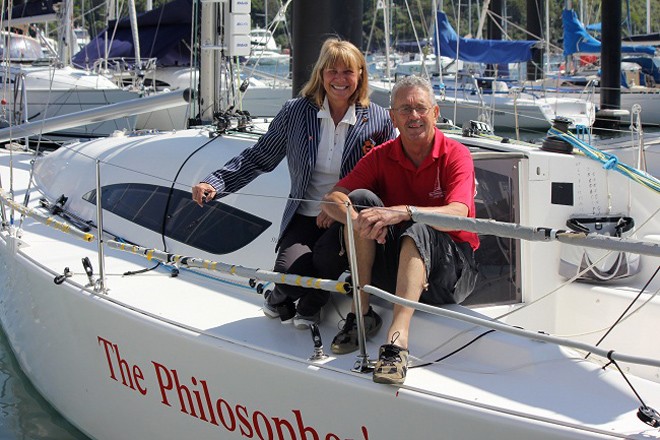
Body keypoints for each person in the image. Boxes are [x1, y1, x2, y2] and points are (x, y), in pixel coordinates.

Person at [191, 38, 396, 330]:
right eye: (332, 71)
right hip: (302, 215)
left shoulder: (378, 120)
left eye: (348, 71)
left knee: (328, 261)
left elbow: (383, 177)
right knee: (288, 277)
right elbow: (260, 157)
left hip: (342, 218)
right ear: (321, 74)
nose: (340, 79)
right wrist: (216, 182)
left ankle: (313, 304)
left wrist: (337, 205)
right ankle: (280, 298)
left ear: (361, 74)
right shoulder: (296, 112)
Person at [321, 75, 479, 384]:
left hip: (452, 275)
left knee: (416, 228)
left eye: (420, 108)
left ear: (435, 113)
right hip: (398, 271)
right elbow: (331, 199)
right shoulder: (382, 156)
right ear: (393, 117)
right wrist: (355, 220)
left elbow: (460, 213)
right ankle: (361, 314)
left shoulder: (455, 155)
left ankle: (397, 341)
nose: (414, 116)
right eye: (405, 109)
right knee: (361, 202)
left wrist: (403, 212)